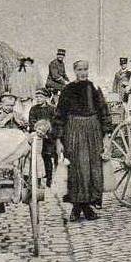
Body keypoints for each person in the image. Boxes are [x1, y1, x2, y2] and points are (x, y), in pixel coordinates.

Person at [54, 60, 113, 222]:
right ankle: (77, 207)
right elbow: (60, 115)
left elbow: (103, 111)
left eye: (85, 69)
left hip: (93, 130)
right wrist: (59, 139)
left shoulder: (94, 88)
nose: (83, 72)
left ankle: (86, 206)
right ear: (74, 71)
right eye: (80, 69)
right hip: (73, 131)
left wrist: (106, 134)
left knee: (93, 167)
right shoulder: (67, 90)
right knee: (77, 168)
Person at [27, 87, 59, 188]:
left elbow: (55, 123)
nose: (38, 98)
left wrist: (48, 133)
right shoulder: (33, 109)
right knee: (36, 158)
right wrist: (38, 131)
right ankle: (38, 180)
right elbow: (31, 122)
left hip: (49, 138)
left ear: (46, 98)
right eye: (37, 97)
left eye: (41, 97)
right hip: (38, 138)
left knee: (48, 158)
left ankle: (49, 180)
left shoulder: (52, 109)